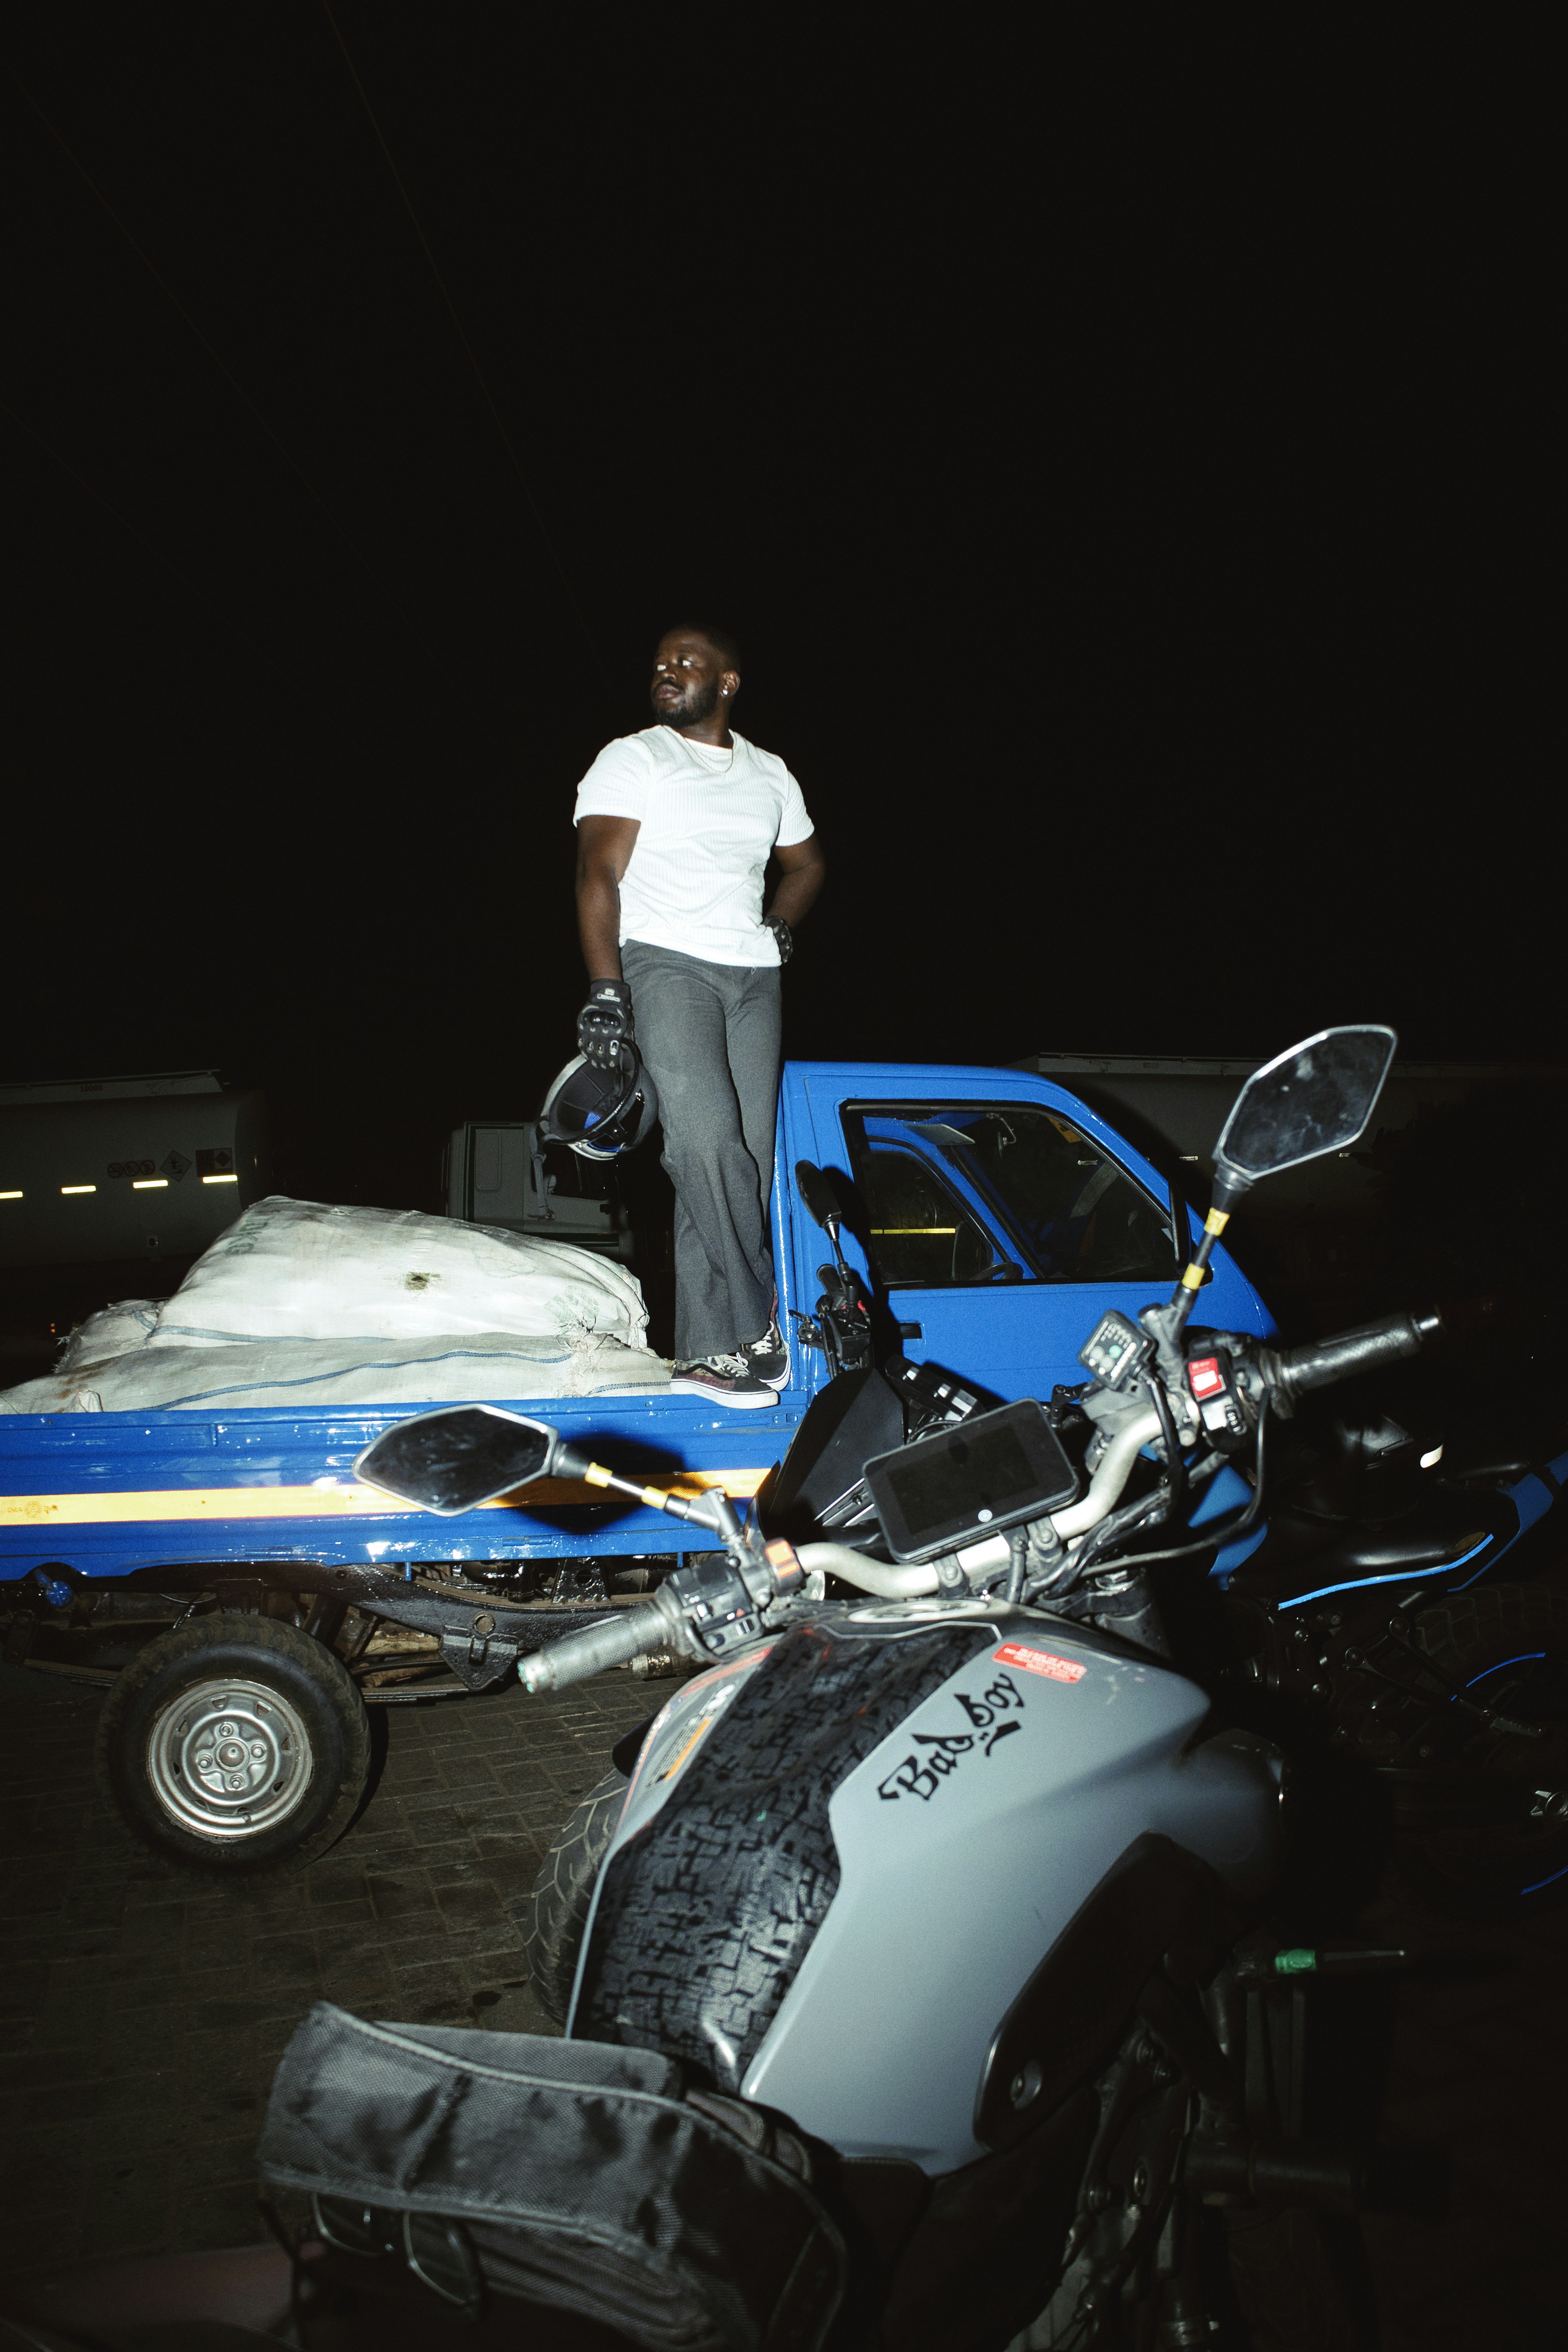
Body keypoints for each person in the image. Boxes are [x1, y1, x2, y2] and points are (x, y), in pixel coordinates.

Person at [573, 625, 826, 1406]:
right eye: (660, 663)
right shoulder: (635, 757)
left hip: (753, 977)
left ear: (728, 681)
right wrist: (607, 989)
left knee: (743, 1159)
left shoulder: (770, 773)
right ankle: (760, 1319)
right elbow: (597, 874)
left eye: (685, 662)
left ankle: (708, 1354)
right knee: (705, 1140)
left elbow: (808, 863)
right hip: (665, 963)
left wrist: (782, 922)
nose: (667, 671)